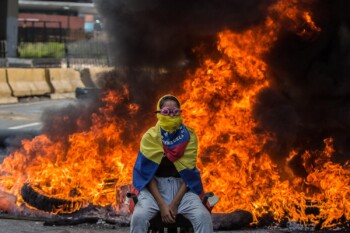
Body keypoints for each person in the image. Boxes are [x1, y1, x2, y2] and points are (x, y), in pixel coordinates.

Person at [130, 95, 213, 233]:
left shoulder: (190, 136)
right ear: (159, 113)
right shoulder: (149, 137)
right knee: (139, 217)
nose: (171, 116)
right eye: (166, 112)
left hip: (182, 188)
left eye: (175, 112)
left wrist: (174, 204)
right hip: (154, 189)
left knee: (203, 217)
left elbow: (188, 174)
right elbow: (147, 175)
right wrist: (162, 205)